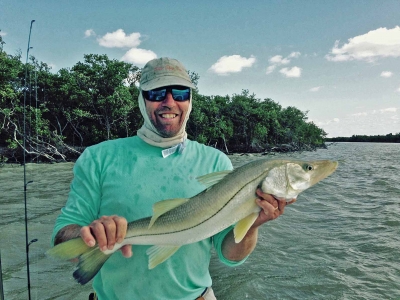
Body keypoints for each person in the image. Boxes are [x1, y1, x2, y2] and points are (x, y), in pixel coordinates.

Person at [52, 57, 293, 300]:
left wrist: (253, 223)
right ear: (142, 99)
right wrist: (90, 234)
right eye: (157, 93)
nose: (170, 102)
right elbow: (63, 237)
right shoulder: (98, 157)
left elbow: (229, 255)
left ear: (190, 99)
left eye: (180, 92)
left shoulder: (217, 162)